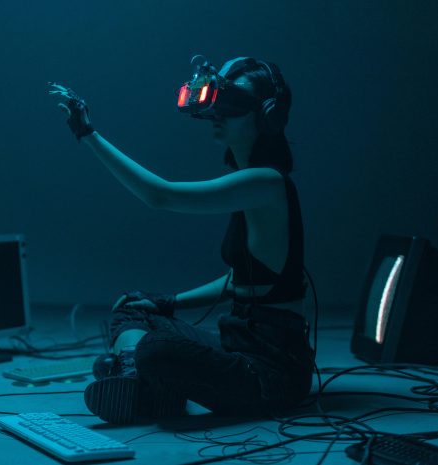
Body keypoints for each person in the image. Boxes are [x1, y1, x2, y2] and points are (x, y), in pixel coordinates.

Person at [49, 56, 315, 425]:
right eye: (220, 104)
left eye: (233, 107)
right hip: (236, 345)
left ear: (268, 116)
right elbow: (241, 281)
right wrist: (170, 303)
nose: (220, 114)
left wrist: (89, 135)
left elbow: (161, 196)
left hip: (270, 376)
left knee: (157, 350)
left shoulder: (266, 184)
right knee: (134, 308)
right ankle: (135, 381)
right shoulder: (251, 183)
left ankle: (143, 382)